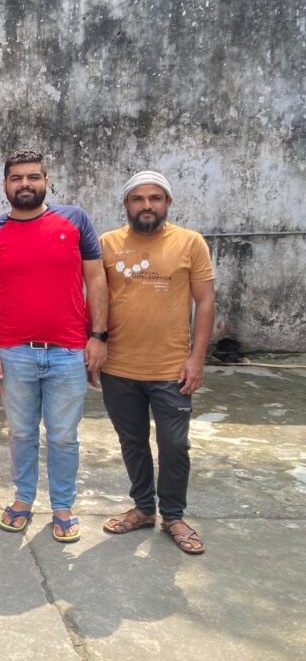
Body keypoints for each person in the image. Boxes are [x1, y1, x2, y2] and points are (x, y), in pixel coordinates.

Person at [0, 149, 108, 543]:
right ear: (4, 184)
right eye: (16, 178)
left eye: (33, 177)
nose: (25, 184)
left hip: (69, 351)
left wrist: (98, 337)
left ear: (46, 181)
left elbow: (97, 280)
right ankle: (22, 499)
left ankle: (63, 506)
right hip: (15, 352)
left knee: (64, 435)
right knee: (20, 433)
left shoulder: (74, 220)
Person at [98, 171, 215, 555]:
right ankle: (144, 508)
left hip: (172, 369)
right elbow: (96, 299)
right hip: (119, 367)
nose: (146, 205)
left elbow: (205, 301)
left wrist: (197, 359)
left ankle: (174, 515)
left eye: (155, 198)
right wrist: (94, 347)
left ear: (168, 203)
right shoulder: (107, 244)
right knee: (132, 442)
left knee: (174, 444)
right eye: (138, 199)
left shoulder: (190, 243)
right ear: (126, 204)